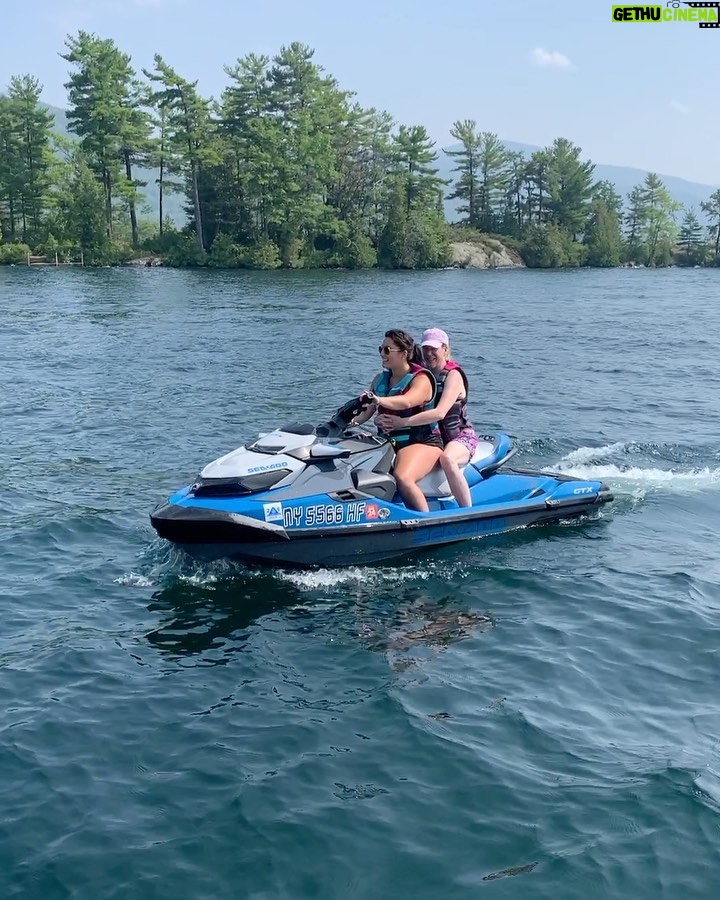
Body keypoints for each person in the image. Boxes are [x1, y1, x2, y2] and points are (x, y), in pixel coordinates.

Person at [375, 327, 477, 508]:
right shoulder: (422, 374)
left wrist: (402, 422)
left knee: (447, 459)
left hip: (459, 437)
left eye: (434, 349)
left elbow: (439, 413)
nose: (429, 353)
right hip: (432, 436)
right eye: (426, 348)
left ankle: (467, 510)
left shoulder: (452, 376)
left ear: (445, 349)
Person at [352, 329, 442, 512]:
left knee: (403, 477)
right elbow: (365, 413)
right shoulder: (380, 379)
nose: (382, 355)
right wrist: (344, 423)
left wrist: (378, 400)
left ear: (404, 354)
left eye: (387, 350)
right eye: (380, 349)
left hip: (423, 442)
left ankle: (425, 521)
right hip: (388, 444)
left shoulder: (421, 379)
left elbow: (407, 401)